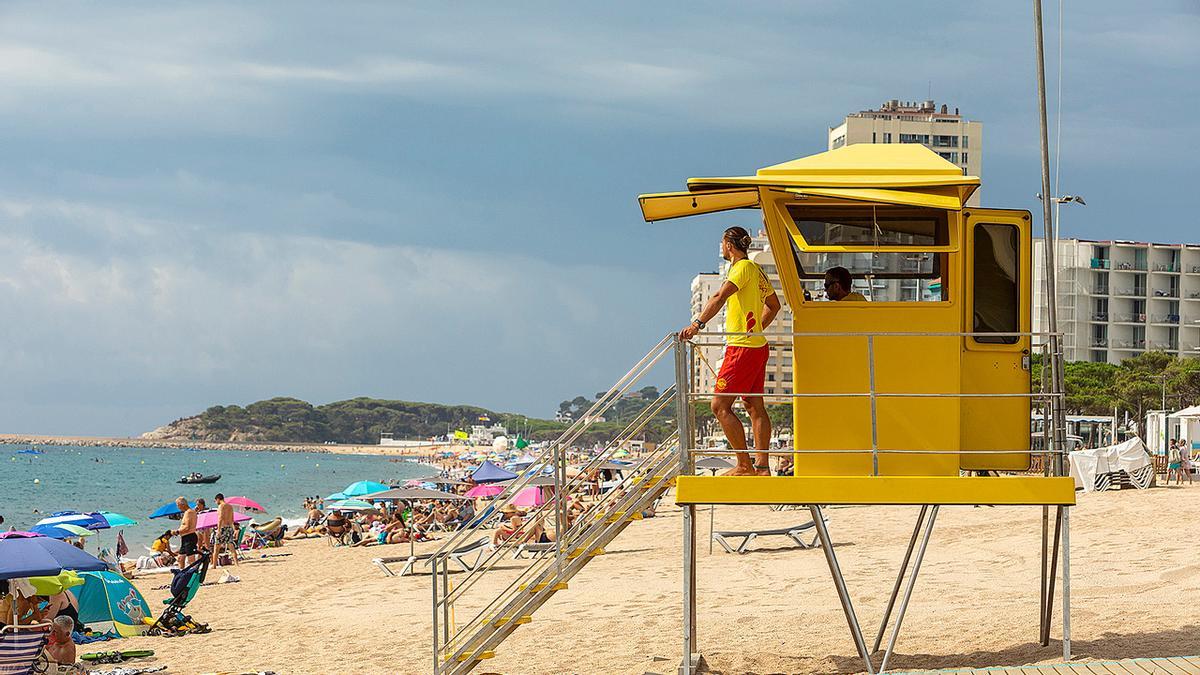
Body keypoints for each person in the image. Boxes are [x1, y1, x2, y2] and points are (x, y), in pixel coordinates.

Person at [680, 226, 781, 476]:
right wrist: (756, 328)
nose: (721, 247)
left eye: (722, 243)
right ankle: (762, 467)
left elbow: (718, 297)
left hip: (742, 349)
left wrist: (697, 325)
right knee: (754, 406)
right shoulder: (755, 270)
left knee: (719, 406)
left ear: (728, 244)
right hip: (757, 345)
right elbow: (774, 305)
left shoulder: (742, 268)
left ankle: (744, 465)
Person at [211, 493, 239, 568]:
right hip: (229, 527)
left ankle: (214, 565)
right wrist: (233, 528)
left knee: (216, 548)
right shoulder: (230, 506)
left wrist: (219, 530)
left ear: (218, 499)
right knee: (231, 546)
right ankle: (236, 563)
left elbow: (220, 518)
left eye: (215, 501)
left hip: (222, 528)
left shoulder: (221, 506)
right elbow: (232, 519)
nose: (216, 502)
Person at [171, 497, 199, 567]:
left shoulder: (189, 512)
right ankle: (182, 573)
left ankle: (194, 573)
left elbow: (187, 527)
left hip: (189, 537)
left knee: (191, 559)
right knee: (180, 558)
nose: (178, 507)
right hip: (185, 537)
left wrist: (177, 532)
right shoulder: (188, 512)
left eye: (178, 505)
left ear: (182, 504)